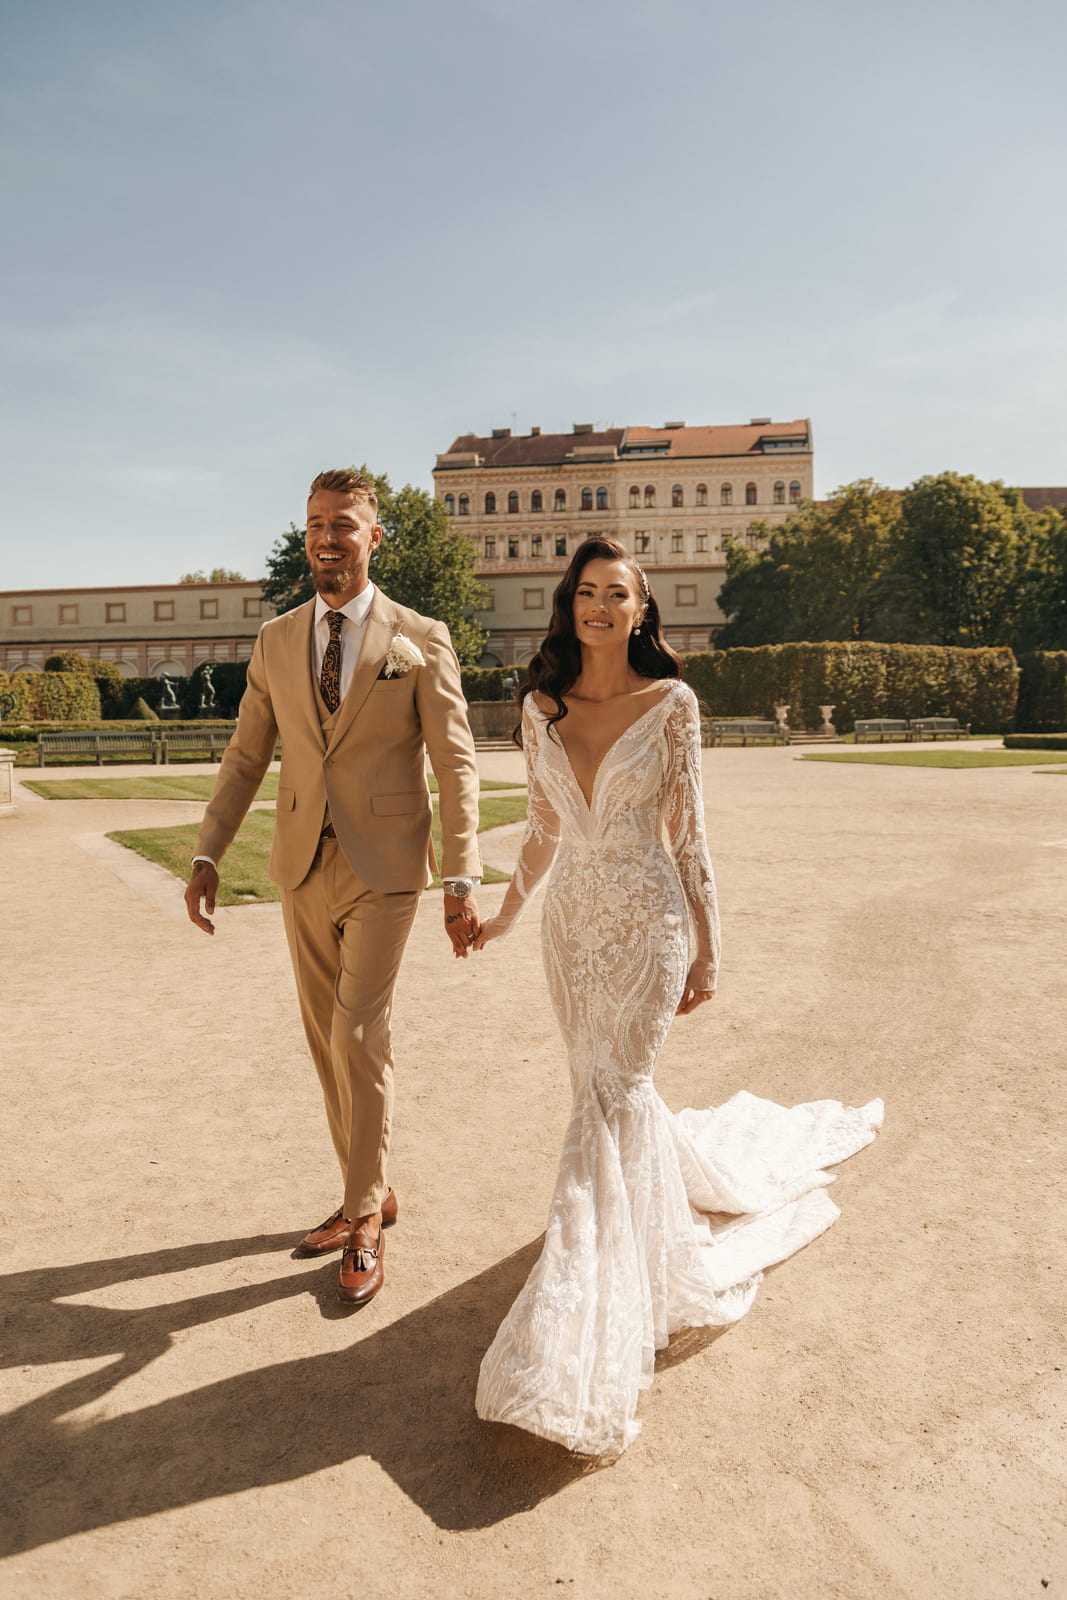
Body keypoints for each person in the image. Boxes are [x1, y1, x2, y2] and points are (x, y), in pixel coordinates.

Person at [472, 535, 882, 1456]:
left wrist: (708, 944)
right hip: (569, 930)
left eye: (618, 593)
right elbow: (541, 829)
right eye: (586, 591)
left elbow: (690, 835)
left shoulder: (674, 704)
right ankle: (641, 1250)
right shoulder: (539, 706)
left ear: (643, 608)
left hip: (648, 928)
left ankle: (575, 1317)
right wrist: (502, 920)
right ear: (568, 603)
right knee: (598, 1095)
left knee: (612, 1094)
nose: (600, 606)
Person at [185, 467, 483, 1307]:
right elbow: (247, 755)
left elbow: (457, 762)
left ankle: (361, 1221)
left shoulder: (418, 634)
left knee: (359, 1035)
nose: (327, 537)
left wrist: (460, 874)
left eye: (344, 524)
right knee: (326, 1043)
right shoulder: (277, 639)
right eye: (315, 523)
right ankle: (371, 1184)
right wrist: (209, 854)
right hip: (298, 869)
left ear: (372, 538)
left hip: (386, 869)